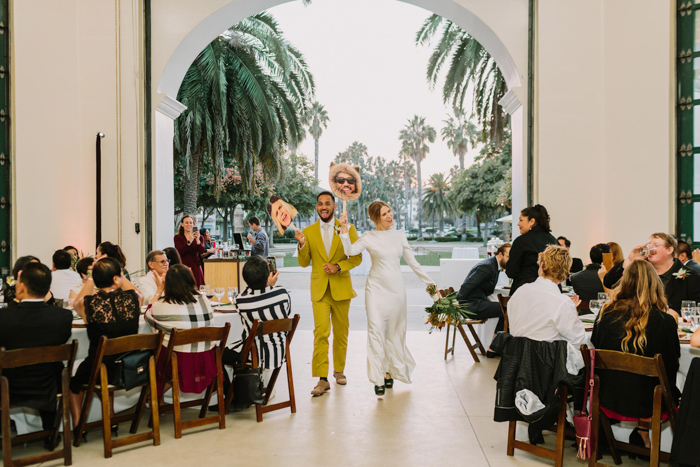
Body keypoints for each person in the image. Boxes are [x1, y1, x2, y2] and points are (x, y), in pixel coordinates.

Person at [339, 201, 436, 396]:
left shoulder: (399, 236)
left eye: (389, 211)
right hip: (375, 290)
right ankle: (378, 378)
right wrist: (343, 229)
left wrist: (431, 285)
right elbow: (349, 251)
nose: (390, 216)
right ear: (376, 218)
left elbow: (414, 264)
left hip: (397, 292)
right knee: (376, 332)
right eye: (384, 214)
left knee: (394, 334)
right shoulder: (369, 237)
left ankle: (390, 372)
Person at [591, 259, 680, 451]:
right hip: (648, 401)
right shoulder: (665, 321)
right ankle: (660, 441)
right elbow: (672, 365)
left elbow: (597, 346)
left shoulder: (605, 313)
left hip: (608, 395)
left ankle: (640, 433)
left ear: (625, 282)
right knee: (676, 382)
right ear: (655, 284)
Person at [295, 191, 362, 396]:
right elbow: (304, 263)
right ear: (316, 207)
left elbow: (356, 258)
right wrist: (302, 244)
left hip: (341, 289)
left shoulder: (347, 228)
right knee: (321, 333)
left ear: (334, 206)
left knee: (341, 333)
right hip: (320, 291)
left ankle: (339, 371)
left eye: (327, 203)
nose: (323, 206)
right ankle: (322, 379)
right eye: (320, 204)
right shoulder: (308, 231)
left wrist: (338, 267)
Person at [0, 262, 72, 448]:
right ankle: (51, 432)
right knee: (51, 367)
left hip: (10, 386)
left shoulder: (4, 318)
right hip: (49, 384)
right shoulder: (63, 317)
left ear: (21, 286)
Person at [70, 258, 142, 430]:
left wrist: (90, 280)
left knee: (74, 381)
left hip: (100, 366)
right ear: (117, 278)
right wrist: (120, 277)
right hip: (130, 364)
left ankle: (79, 424)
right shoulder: (133, 299)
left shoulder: (89, 304)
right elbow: (139, 293)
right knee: (106, 365)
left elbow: (75, 304)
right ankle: (110, 416)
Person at [222, 256, 290, 397]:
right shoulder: (282, 294)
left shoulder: (242, 301)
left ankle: (230, 397)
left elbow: (245, 295)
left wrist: (262, 285)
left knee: (218, 355)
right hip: (280, 350)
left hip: (256, 354)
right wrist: (269, 286)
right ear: (268, 275)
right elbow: (286, 312)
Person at [144, 264, 217, 396]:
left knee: (153, 350)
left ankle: (153, 396)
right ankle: (155, 397)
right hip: (207, 359)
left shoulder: (163, 305)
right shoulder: (204, 299)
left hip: (178, 362)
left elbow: (148, 314)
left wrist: (159, 290)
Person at [507, 245, 587, 347]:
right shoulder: (561, 302)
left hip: (516, 358)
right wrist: (573, 311)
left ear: (541, 265)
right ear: (566, 272)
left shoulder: (519, 292)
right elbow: (579, 340)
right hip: (548, 360)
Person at [603, 233, 700, 315]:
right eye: (649, 244)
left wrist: (677, 313)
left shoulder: (691, 277)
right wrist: (629, 260)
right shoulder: (641, 270)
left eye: (656, 245)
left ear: (669, 250)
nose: (650, 248)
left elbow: (696, 307)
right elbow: (609, 282)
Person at [456, 242, 511, 335]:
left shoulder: (493, 265)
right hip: (472, 306)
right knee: (507, 309)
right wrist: (457, 305)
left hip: (476, 303)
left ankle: (496, 342)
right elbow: (467, 285)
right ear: (500, 254)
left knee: (507, 308)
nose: (510, 261)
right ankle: (496, 344)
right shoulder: (488, 267)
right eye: (509, 257)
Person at [505, 204, 558, 295]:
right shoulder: (554, 241)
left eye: (521, 220)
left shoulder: (521, 241)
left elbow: (511, 271)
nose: (518, 223)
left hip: (525, 290)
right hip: (550, 291)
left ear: (532, 221)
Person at [571, 243, 609, 308]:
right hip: (602, 313)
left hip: (581, 314)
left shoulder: (574, 277)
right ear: (606, 257)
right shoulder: (608, 277)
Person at [173, 214, 205, 287]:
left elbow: (202, 251)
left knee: (198, 288)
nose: (189, 224)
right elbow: (179, 252)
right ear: (182, 224)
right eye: (186, 222)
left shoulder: (200, 237)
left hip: (196, 266)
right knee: (184, 287)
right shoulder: (177, 237)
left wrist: (197, 240)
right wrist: (189, 241)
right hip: (183, 265)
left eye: (191, 222)